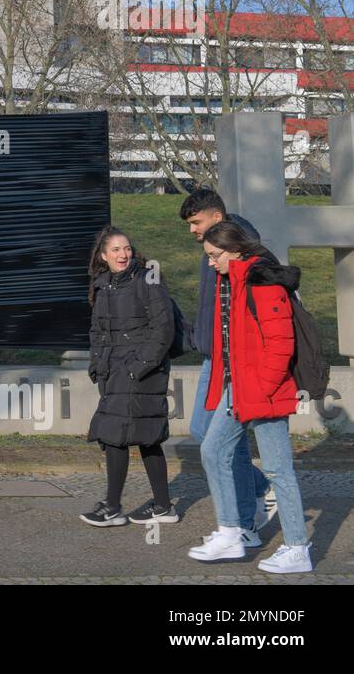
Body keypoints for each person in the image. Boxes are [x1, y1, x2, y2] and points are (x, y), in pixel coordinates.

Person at [189, 220, 312, 573]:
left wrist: (260, 388)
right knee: (212, 449)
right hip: (239, 388)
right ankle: (232, 531)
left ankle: (298, 548)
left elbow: (281, 343)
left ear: (235, 249)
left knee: (278, 469)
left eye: (214, 256)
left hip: (264, 391)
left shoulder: (262, 280)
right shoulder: (233, 280)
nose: (211, 263)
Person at [180, 187, 273, 544]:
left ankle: (244, 522)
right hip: (212, 357)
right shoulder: (214, 250)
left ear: (217, 217)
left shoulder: (237, 248)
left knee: (220, 440)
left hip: (232, 361)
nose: (192, 230)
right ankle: (261, 485)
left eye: (195, 222)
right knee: (204, 433)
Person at [80, 226, 178, 527]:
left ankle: (112, 506)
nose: (123, 254)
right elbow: (98, 331)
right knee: (142, 437)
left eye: (127, 248)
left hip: (141, 371)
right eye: (116, 250)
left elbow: (163, 328)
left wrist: (139, 365)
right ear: (103, 255)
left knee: (118, 436)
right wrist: (97, 365)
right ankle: (162, 506)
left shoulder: (147, 278)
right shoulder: (103, 284)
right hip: (114, 371)